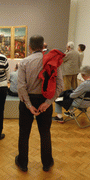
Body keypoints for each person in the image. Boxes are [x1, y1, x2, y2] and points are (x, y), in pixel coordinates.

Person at [15, 35, 63, 172]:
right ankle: (47, 163)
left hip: (27, 101)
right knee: (45, 133)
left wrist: (29, 105)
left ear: (29, 47)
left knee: (24, 133)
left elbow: (21, 87)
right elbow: (60, 85)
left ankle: (23, 163)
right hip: (45, 100)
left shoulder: (24, 62)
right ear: (43, 46)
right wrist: (48, 103)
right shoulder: (52, 61)